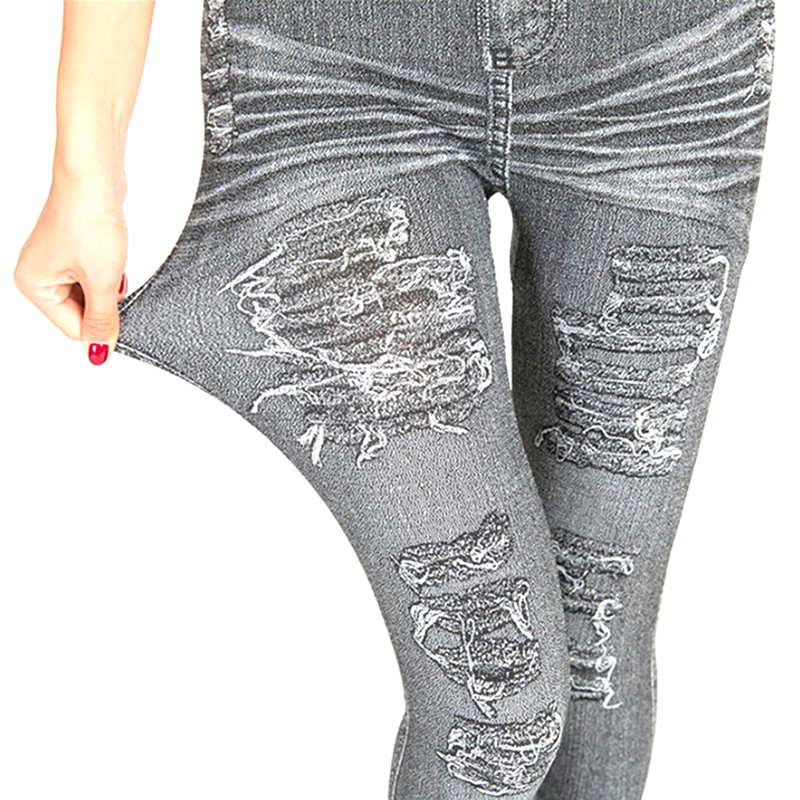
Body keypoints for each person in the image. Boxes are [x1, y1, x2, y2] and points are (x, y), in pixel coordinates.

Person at [11, 2, 777, 798]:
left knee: (596, 652)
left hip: (663, 66)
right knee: (498, 710)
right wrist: (85, 169)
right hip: (337, 70)